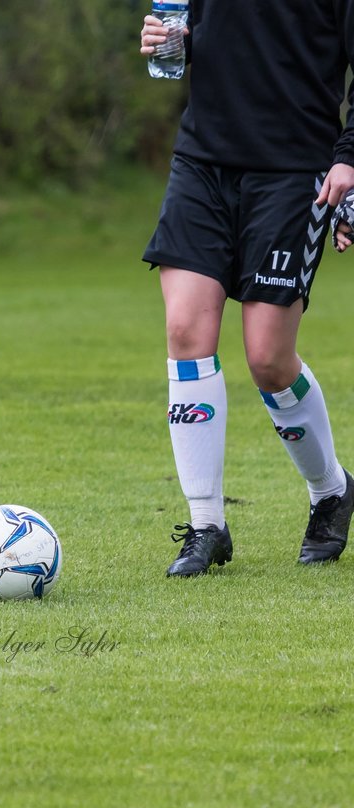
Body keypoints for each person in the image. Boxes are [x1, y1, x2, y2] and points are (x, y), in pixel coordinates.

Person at [139, 3, 354, 577]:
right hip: (203, 160)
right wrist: (168, 39)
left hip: (292, 169)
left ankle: (331, 490)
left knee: (268, 359)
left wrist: (350, 159)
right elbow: (188, 32)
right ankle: (206, 524)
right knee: (186, 330)